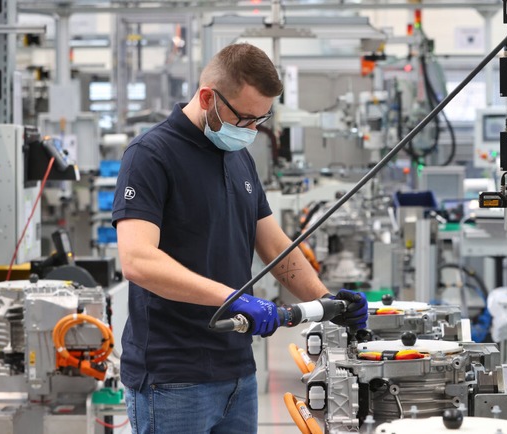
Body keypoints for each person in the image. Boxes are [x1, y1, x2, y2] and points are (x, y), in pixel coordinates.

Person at [112, 42, 368, 434]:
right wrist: (233, 299)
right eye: (246, 118)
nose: (252, 130)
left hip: (236, 371)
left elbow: (275, 247)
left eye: (260, 120)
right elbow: (137, 260)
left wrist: (326, 302)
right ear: (207, 98)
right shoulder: (151, 155)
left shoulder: (238, 156)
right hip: (173, 378)